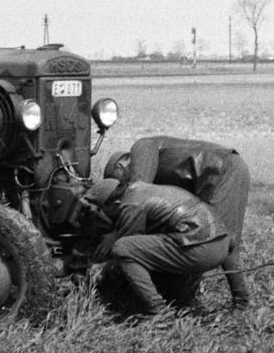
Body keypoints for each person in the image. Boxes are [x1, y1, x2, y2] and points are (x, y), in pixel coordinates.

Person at [104, 135, 251, 310]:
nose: (121, 187)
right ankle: (237, 301)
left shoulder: (142, 148)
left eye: (118, 181)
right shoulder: (155, 164)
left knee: (222, 240)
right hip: (231, 166)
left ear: (120, 166)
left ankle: (240, 303)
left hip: (221, 170)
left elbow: (137, 197)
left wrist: (115, 239)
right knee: (223, 240)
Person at [80, 176, 231, 317]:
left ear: (115, 204)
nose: (101, 213)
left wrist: (101, 268)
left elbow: (127, 251)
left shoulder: (131, 206)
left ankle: (159, 311)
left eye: (102, 209)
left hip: (201, 250)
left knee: (122, 248)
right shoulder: (138, 189)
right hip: (221, 241)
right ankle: (179, 296)